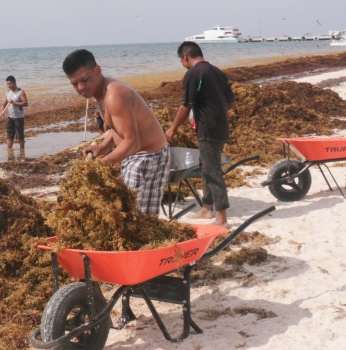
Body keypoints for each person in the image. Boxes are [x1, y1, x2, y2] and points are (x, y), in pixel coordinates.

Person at [62, 49, 170, 216]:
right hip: (137, 156)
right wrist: (102, 147)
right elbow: (117, 128)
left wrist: (100, 165)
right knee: (132, 215)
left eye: (85, 80)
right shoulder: (100, 92)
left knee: (137, 218)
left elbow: (132, 142)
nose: (80, 88)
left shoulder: (114, 95)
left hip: (146, 158)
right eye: (74, 84)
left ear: (97, 70)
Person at [164, 41, 236, 227]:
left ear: (185, 57)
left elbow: (186, 105)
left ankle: (222, 218)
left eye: (181, 60)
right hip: (220, 126)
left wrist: (172, 129)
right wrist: (213, 111)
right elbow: (230, 103)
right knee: (207, 166)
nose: (182, 64)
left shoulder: (194, 73)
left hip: (208, 128)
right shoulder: (217, 72)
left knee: (212, 171)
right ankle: (206, 208)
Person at [2, 75, 29, 157]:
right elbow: (4, 103)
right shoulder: (7, 92)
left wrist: (14, 103)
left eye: (10, 84)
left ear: (14, 83)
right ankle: (9, 153)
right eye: (7, 84)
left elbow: (25, 103)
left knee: (20, 136)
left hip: (19, 117)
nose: (9, 85)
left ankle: (22, 153)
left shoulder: (20, 92)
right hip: (10, 117)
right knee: (9, 136)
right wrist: (2, 111)